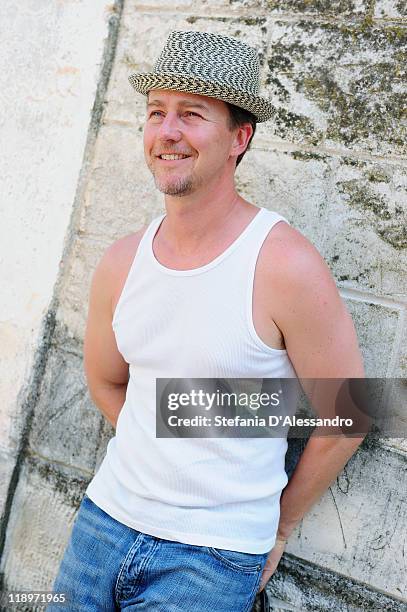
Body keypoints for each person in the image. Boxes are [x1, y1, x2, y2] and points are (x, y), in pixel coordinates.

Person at [48, 31, 365, 611]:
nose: (167, 131)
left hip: (211, 560)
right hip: (101, 526)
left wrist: (281, 527)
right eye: (156, 113)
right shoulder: (122, 262)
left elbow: (350, 413)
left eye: (192, 114)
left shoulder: (283, 265)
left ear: (239, 137)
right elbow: (106, 380)